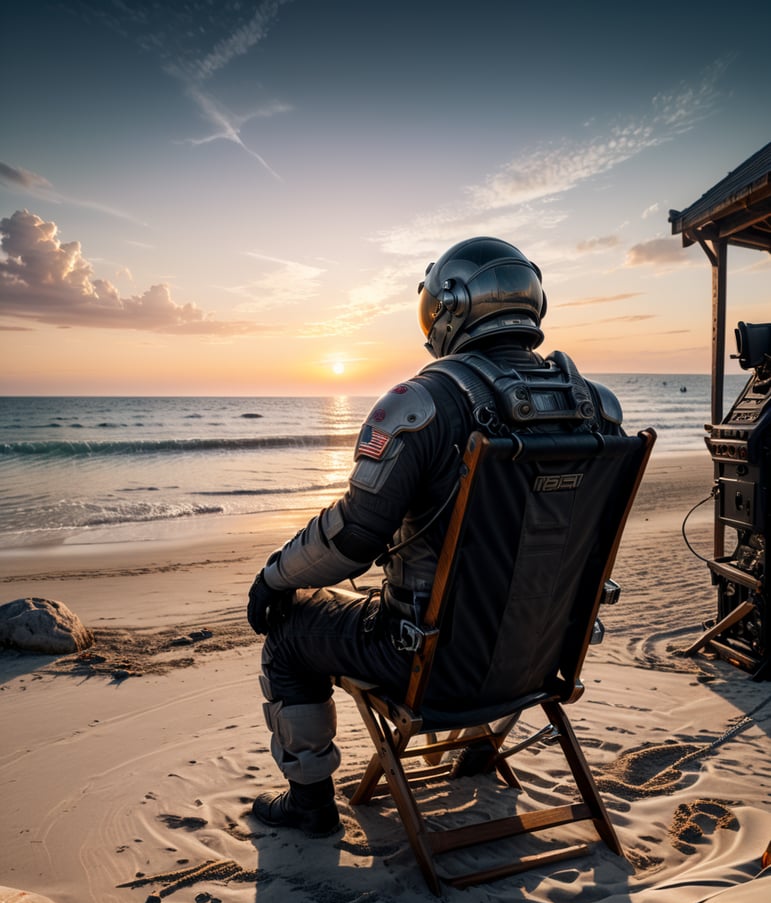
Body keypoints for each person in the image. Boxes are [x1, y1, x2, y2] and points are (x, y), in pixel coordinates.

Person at [246, 236, 624, 837]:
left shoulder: (422, 403)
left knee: (289, 632)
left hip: (430, 664)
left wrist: (274, 576)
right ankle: (479, 751)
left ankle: (310, 802)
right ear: (533, 302)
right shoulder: (599, 410)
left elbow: (352, 538)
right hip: (542, 657)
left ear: (449, 306)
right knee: (500, 603)